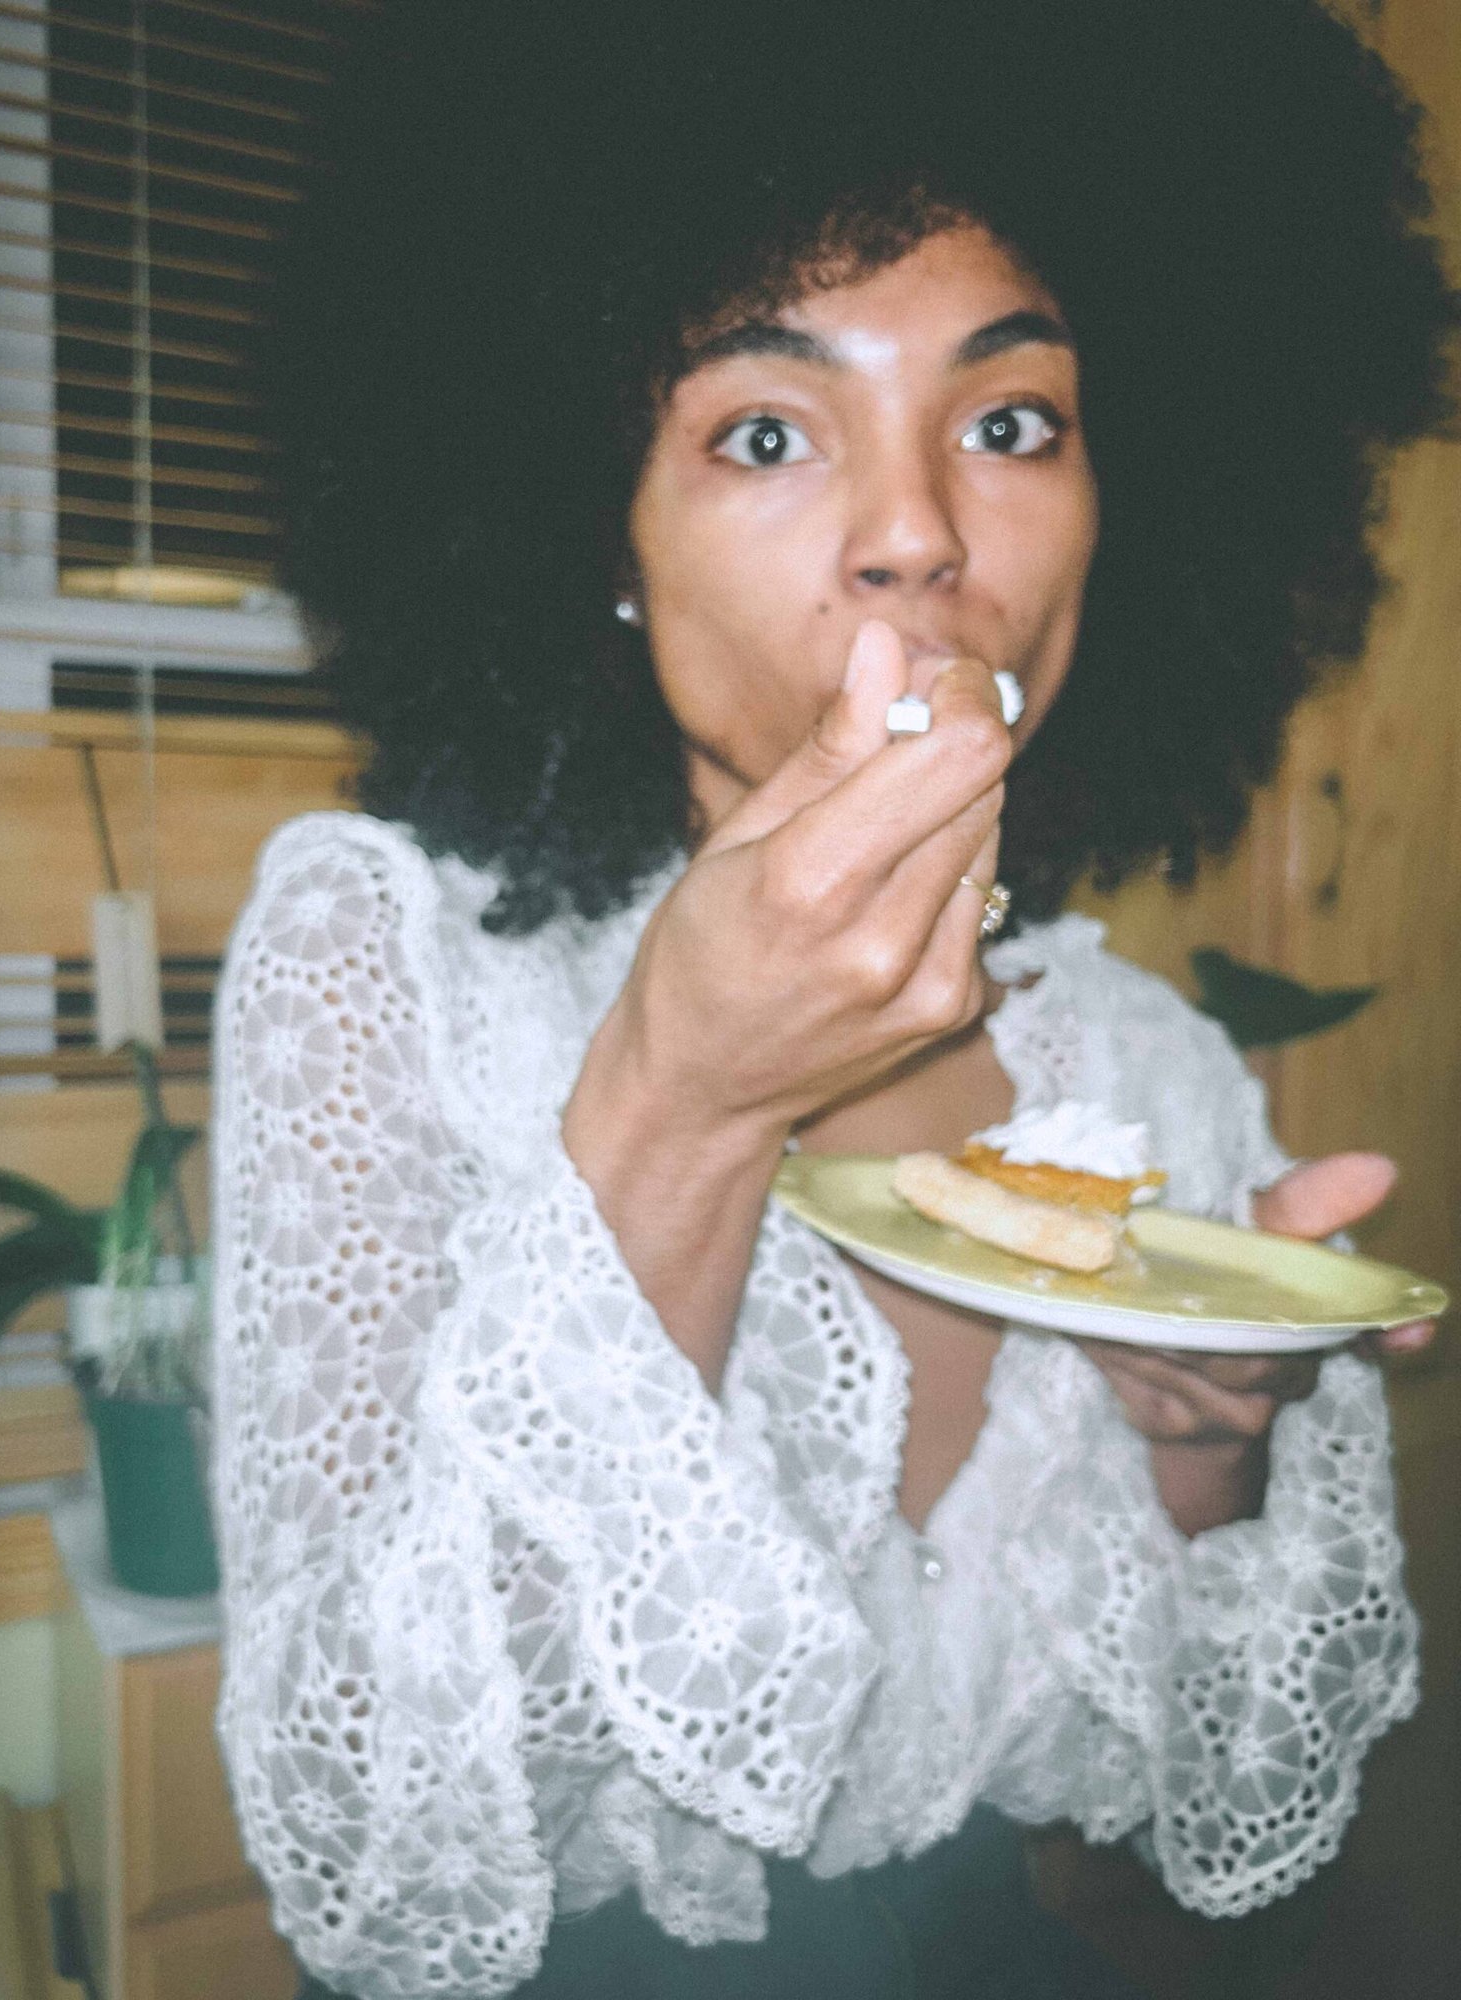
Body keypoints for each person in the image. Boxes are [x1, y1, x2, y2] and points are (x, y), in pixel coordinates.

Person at [210, 3, 1454, 1994]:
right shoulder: (394, 968)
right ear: (586, 523)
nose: (918, 534)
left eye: (1009, 418)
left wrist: (1205, 1444)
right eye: (765, 431)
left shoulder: (1135, 1066)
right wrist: (680, 1104)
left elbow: (1211, 1833)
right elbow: (374, 1874)